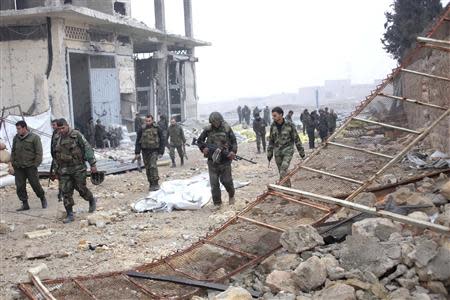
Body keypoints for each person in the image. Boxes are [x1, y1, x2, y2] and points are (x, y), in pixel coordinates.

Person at [53, 118, 97, 223]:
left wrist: (92, 164)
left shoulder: (76, 135)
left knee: (81, 189)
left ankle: (91, 199)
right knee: (66, 192)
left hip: (78, 168)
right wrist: (56, 170)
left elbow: (87, 148)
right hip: (64, 170)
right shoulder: (57, 138)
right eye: (59, 129)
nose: (61, 131)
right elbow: (55, 154)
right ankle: (69, 214)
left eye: (63, 128)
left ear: (67, 125)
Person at [197, 112, 237, 207]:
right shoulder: (207, 130)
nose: (216, 124)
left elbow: (234, 142)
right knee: (214, 183)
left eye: (217, 121)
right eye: (213, 122)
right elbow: (199, 141)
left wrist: (233, 152)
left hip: (225, 160)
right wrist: (203, 149)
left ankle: (231, 195)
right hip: (212, 160)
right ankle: (217, 203)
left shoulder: (226, 128)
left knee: (226, 181)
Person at [9, 121, 47, 211]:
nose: (17, 131)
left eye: (19, 129)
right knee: (20, 186)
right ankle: (25, 204)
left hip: (30, 167)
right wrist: (13, 163)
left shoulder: (34, 138)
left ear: (24, 128)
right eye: (17, 129)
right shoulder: (16, 138)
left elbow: (39, 153)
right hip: (19, 167)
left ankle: (42, 198)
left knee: (35, 185)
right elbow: (13, 151)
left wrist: (35, 165)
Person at [267, 107, 305, 187]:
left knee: (283, 170)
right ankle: (287, 188)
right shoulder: (272, 126)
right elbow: (271, 140)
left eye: (275, 115)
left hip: (288, 150)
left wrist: (302, 153)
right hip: (277, 152)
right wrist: (269, 154)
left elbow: (296, 139)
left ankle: (280, 186)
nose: (273, 118)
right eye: (272, 116)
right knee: (282, 171)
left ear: (281, 115)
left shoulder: (289, 125)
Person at [135, 115, 165, 191]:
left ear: (152, 120)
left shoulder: (157, 128)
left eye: (149, 121)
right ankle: (151, 183)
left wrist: (161, 151)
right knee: (147, 168)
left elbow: (162, 139)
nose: (148, 122)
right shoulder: (142, 129)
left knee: (153, 166)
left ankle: (155, 183)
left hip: (154, 151)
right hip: (145, 151)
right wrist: (137, 152)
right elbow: (138, 141)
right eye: (146, 121)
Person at [50, 119, 62, 202]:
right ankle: (61, 192)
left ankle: (62, 192)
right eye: (52, 125)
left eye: (54, 125)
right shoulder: (54, 133)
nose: (53, 126)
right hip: (56, 159)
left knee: (63, 177)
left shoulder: (62, 133)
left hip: (62, 159)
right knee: (59, 176)